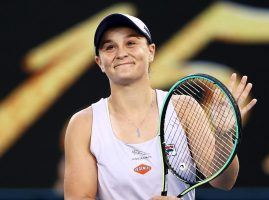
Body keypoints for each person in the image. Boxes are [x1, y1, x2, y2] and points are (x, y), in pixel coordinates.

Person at [64, 13, 257, 200]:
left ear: (151, 51)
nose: (121, 53)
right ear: (100, 62)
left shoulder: (184, 108)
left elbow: (224, 181)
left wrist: (224, 136)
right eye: (109, 47)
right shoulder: (83, 124)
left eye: (131, 43)